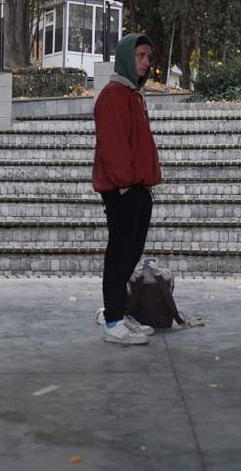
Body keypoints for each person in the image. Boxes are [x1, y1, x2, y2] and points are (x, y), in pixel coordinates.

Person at [92, 32, 162, 345]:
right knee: (119, 255)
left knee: (130, 253)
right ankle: (113, 322)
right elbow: (113, 144)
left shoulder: (133, 94)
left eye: (148, 56)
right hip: (124, 188)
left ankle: (118, 312)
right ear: (125, 58)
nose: (146, 62)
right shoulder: (114, 95)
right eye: (140, 56)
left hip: (137, 186)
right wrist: (123, 184)